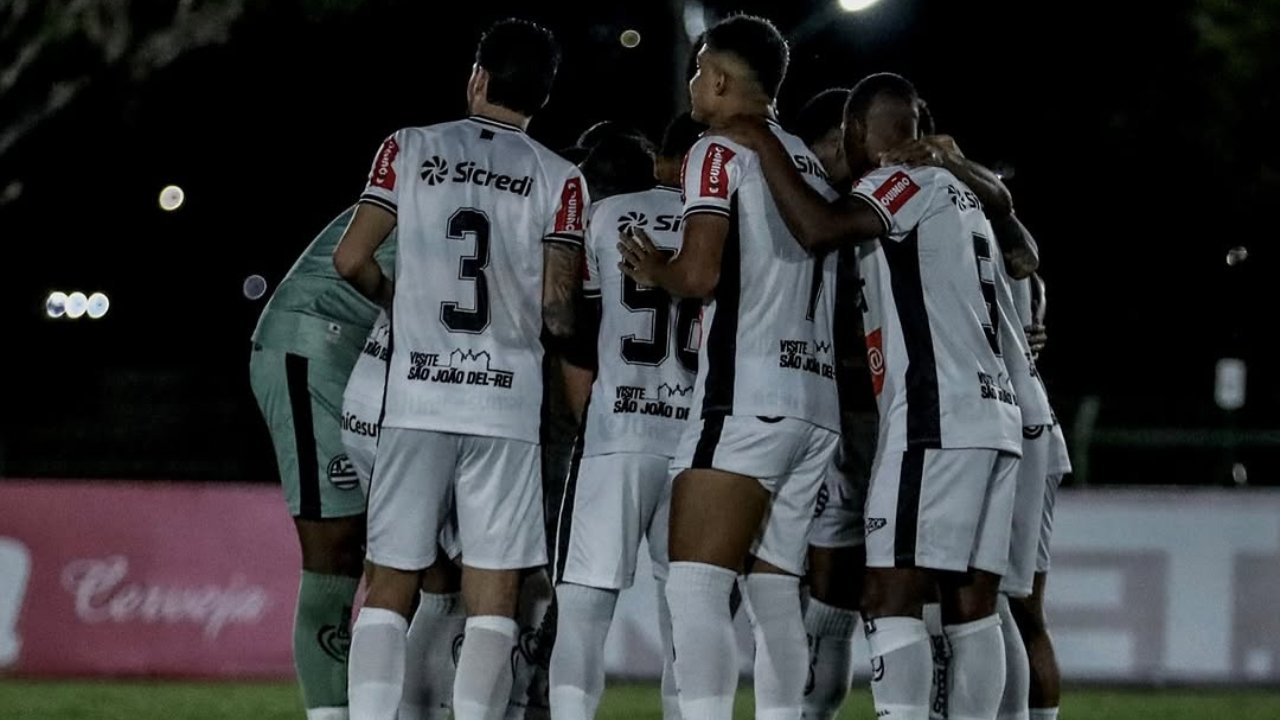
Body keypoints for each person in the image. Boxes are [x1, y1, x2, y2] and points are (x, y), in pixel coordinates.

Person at [719, 71, 1023, 720]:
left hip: (934, 419)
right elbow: (1019, 250)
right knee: (974, 609)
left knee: (888, 593)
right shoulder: (961, 193)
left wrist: (763, 143)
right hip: (993, 417)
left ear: (858, 132)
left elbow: (820, 229)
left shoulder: (898, 179)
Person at [332, 18, 588, 720]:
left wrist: (404, 307)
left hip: (415, 400)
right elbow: (560, 314)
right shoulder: (562, 179)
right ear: (543, 95)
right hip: (504, 406)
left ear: (477, 77)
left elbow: (349, 259)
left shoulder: (406, 148)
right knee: (494, 594)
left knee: (388, 581)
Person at [619, 15, 842, 720]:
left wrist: (658, 269)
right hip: (815, 402)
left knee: (694, 585)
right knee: (776, 591)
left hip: (747, 396)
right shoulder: (803, 158)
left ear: (717, 77)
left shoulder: (718, 152)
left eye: (697, 70)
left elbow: (701, 273)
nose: (692, 83)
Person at [548, 112, 705, 720]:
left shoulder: (608, 214)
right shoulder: (719, 227)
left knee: (584, 605)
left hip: (618, 429)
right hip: (696, 440)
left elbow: (573, 323)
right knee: (689, 612)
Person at [248, 206, 394, 720]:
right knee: (336, 548)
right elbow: (353, 261)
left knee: (405, 549)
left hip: (372, 359)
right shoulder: (439, 170)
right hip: (314, 345)